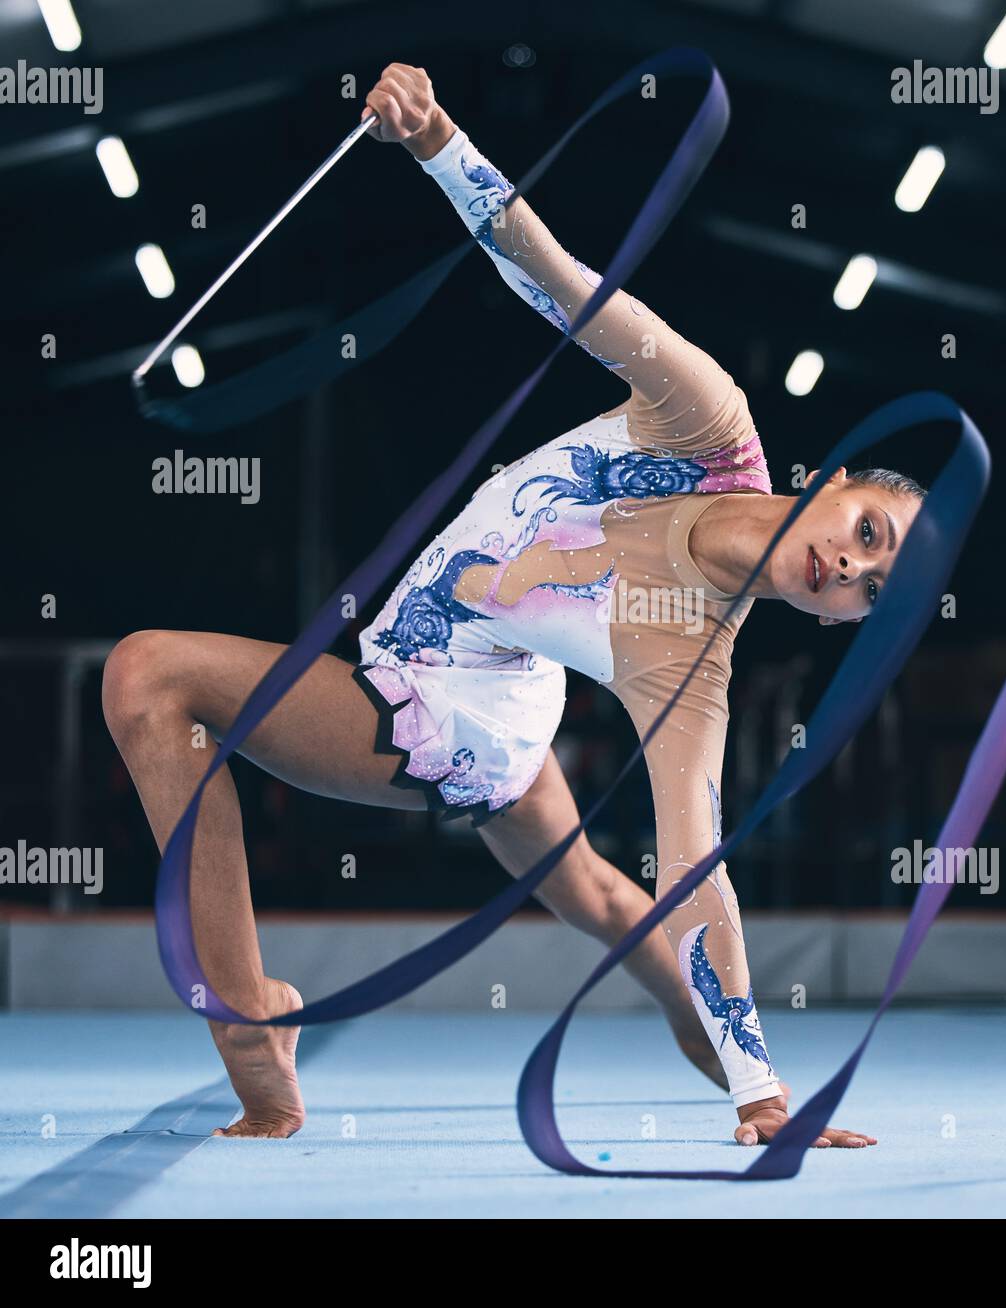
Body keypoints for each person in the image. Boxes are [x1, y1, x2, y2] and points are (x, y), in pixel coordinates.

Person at [103, 63, 924, 1149]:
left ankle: (252, 1027)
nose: (849, 568)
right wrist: (439, 136)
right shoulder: (703, 419)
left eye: (871, 592)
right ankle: (717, 1050)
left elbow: (696, 870)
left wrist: (764, 1101)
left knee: (150, 676)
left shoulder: (689, 659)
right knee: (594, 893)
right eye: (867, 532)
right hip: (502, 677)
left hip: (456, 708)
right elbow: (555, 277)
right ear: (835, 481)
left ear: (840, 626)